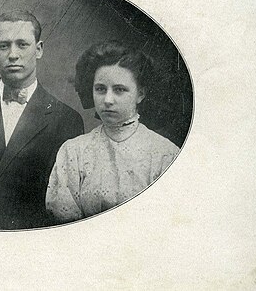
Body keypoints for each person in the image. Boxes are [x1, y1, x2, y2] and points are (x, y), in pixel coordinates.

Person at [0, 10, 84, 229]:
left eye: (22, 44)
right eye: (3, 45)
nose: (12, 54)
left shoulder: (66, 120)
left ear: (38, 50)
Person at [46, 41, 180, 223]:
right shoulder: (73, 152)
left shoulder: (164, 154)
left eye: (119, 90)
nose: (108, 100)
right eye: (100, 89)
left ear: (140, 94)